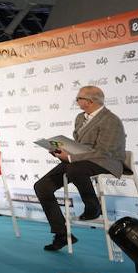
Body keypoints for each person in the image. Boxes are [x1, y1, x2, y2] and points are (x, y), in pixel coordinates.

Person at [34, 86, 127, 251]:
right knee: (42, 186)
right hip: (79, 161)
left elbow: (104, 151)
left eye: (78, 98)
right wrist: (59, 151)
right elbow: (79, 146)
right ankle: (62, 234)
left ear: (90, 101)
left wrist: (70, 158)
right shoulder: (79, 117)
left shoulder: (111, 120)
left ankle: (93, 206)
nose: (76, 101)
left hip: (106, 160)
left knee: (75, 169)